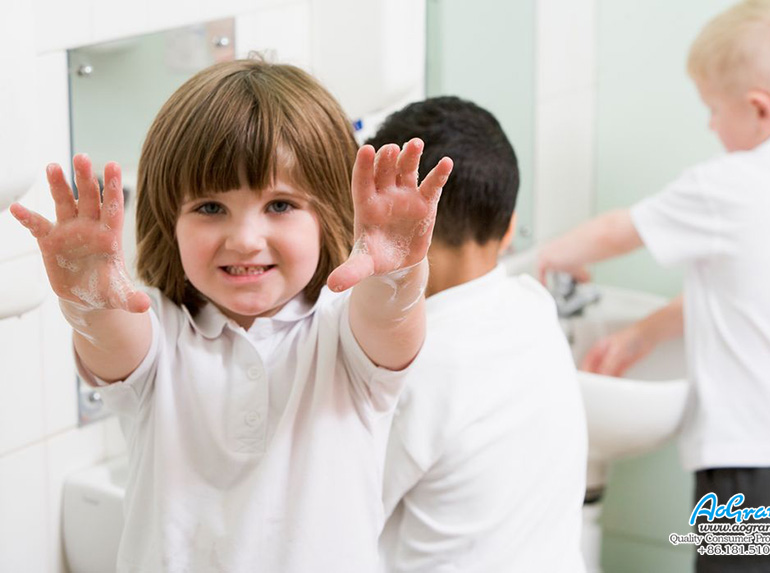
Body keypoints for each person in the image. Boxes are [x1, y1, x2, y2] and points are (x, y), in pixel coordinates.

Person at [9, 59, 453, 572]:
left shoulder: (345, 335)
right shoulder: (160, 335)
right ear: (167, 219)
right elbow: (111, 336)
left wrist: (397, 273)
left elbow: (388, 321)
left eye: (281, 205)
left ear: (331, 212)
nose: (244, 239)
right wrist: (90, 299)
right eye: (210, 208)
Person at [538, 1, 770, 571]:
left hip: (751, 472)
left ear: (759, 108)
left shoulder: (732, 183)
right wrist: (641, 334)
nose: (709, 124)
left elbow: (617, 231)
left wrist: (548, 256)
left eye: (713, 108)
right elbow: (747, 294)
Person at [368, 96, 587, 573]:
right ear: (509, 228)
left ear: (391, 224)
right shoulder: (533, 308)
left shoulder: (414, 367)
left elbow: (340, 517)